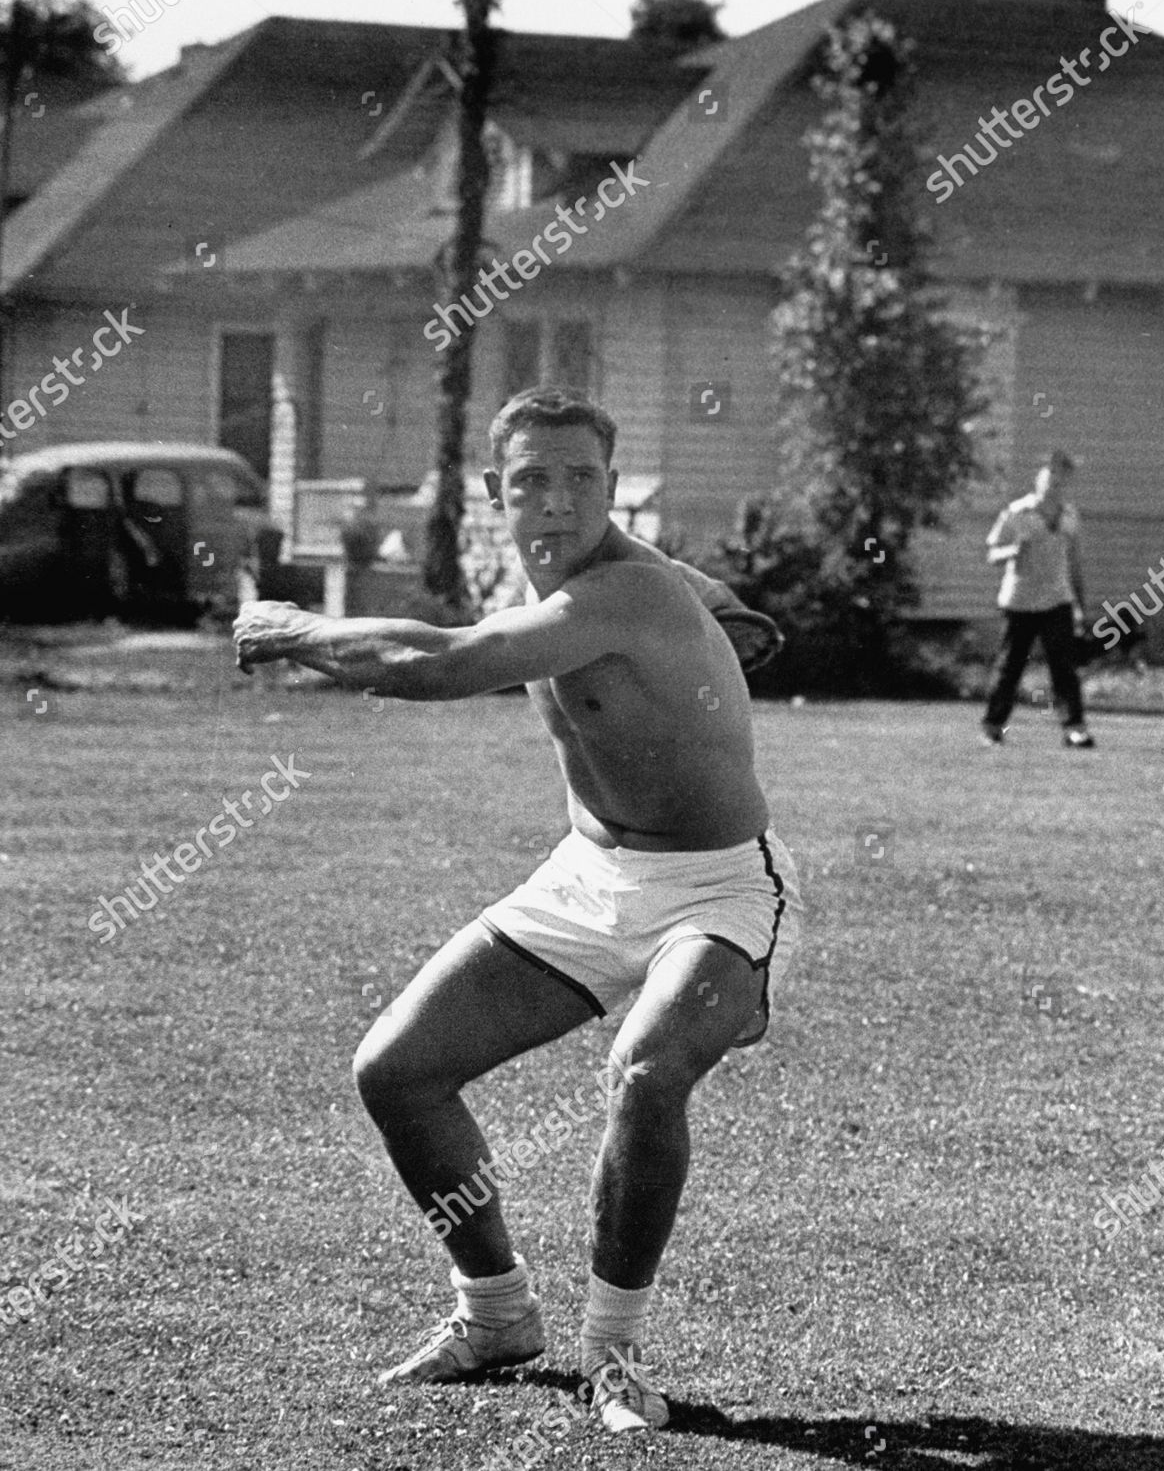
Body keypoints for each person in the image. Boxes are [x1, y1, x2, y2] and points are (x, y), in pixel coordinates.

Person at [232, 385, 803, 1435]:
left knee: (645, 1067)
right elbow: (682, 594)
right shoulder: (619, 578)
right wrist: (724, 614)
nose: (555, 498)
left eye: (580, 476)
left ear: (610, 484)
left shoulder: (622, 592)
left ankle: (613, 1355)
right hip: (586, 877)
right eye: (530, 478)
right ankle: (494, 1315)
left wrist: (300, 630)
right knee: (396, 1071)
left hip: (715, 886)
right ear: (497, 493)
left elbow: (453, 664)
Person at [981, 449, 1095, 748]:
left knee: (1063, 668)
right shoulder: (1018, 513)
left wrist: (1082, 607)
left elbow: (1075, 565)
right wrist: (1012, 551)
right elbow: (992, 553)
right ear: (1038, 485)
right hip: (1019, 601)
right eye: (1049, 484)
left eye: (1059, 484)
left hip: (1057, 599)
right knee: (1010, 666)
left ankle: (1075, 728)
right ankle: (993, 726)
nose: (1054, 489)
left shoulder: (1070, 516)